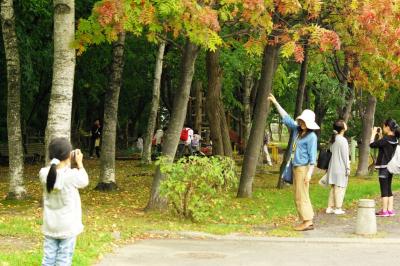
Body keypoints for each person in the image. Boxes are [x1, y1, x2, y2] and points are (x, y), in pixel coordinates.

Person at [269, 94, 319, 231]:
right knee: (299, 194)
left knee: (301, 194)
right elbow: (287, 118)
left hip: (303, 169)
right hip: (295, 167)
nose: (301, 123)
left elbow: (312, 158)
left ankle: (307, 221)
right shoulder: (297, 130)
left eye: (304, 122)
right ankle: (306, 220)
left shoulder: (311, 137)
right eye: (301, 121)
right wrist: (275, 102)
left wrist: (309, 174)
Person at [39, 138, 89, 265]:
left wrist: (67, 162)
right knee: (64, 260)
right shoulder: (71, 175)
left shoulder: (44, 173)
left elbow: (55, 172)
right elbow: (84, 181)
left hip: (50, 224)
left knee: (48, 259)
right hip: (68, 226)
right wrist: (79, 163)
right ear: (68, 155)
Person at [370, 118, 400, 217]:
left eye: (383, 126)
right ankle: (390, 210)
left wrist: (373, 133)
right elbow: (383, 144)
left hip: (383, 168)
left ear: (387, 127)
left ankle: (384, 211)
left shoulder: (385, 140)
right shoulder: (395, 139)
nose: (383, 128)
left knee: (384, 189)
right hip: (391, 167)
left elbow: (372, 144)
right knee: (389, 188)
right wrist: (381, 136)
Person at [326, 120, 350, 215]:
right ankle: (338, 207)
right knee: (340, 188)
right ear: (343, 128)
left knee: (333, 187)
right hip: (341, 167)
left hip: (332, 166)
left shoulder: (333, 138)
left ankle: (329, 207)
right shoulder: (343, 140)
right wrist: (348, 168)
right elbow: (345, 156)